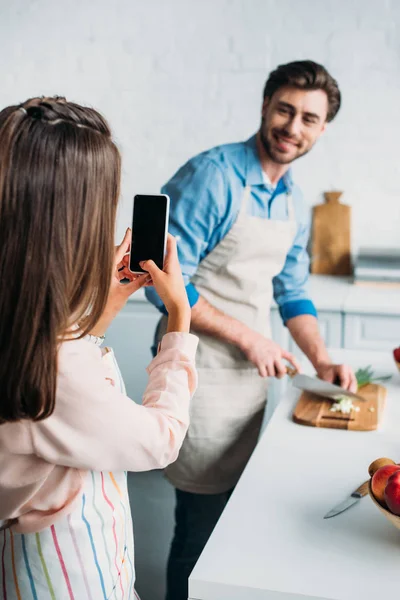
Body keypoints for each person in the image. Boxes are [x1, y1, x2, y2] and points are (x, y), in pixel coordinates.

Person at [145, 60, 357, 600]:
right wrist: (249, 338)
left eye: (309, 118)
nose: (293, 127)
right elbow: (159, 280)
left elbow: (292, 291)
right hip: (196, 376)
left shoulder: (291, 198)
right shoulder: (213, 176)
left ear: (323, 128)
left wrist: (320, 358)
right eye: (285, 110)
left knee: (231, 527)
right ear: (265, 106)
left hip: (246, 385)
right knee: (198, 528)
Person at [0, 97, 198, 599]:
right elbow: (162, 439)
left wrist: (98, 317)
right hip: (68, 574)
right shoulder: (57, 366)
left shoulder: (26, 335)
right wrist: (180, 318)